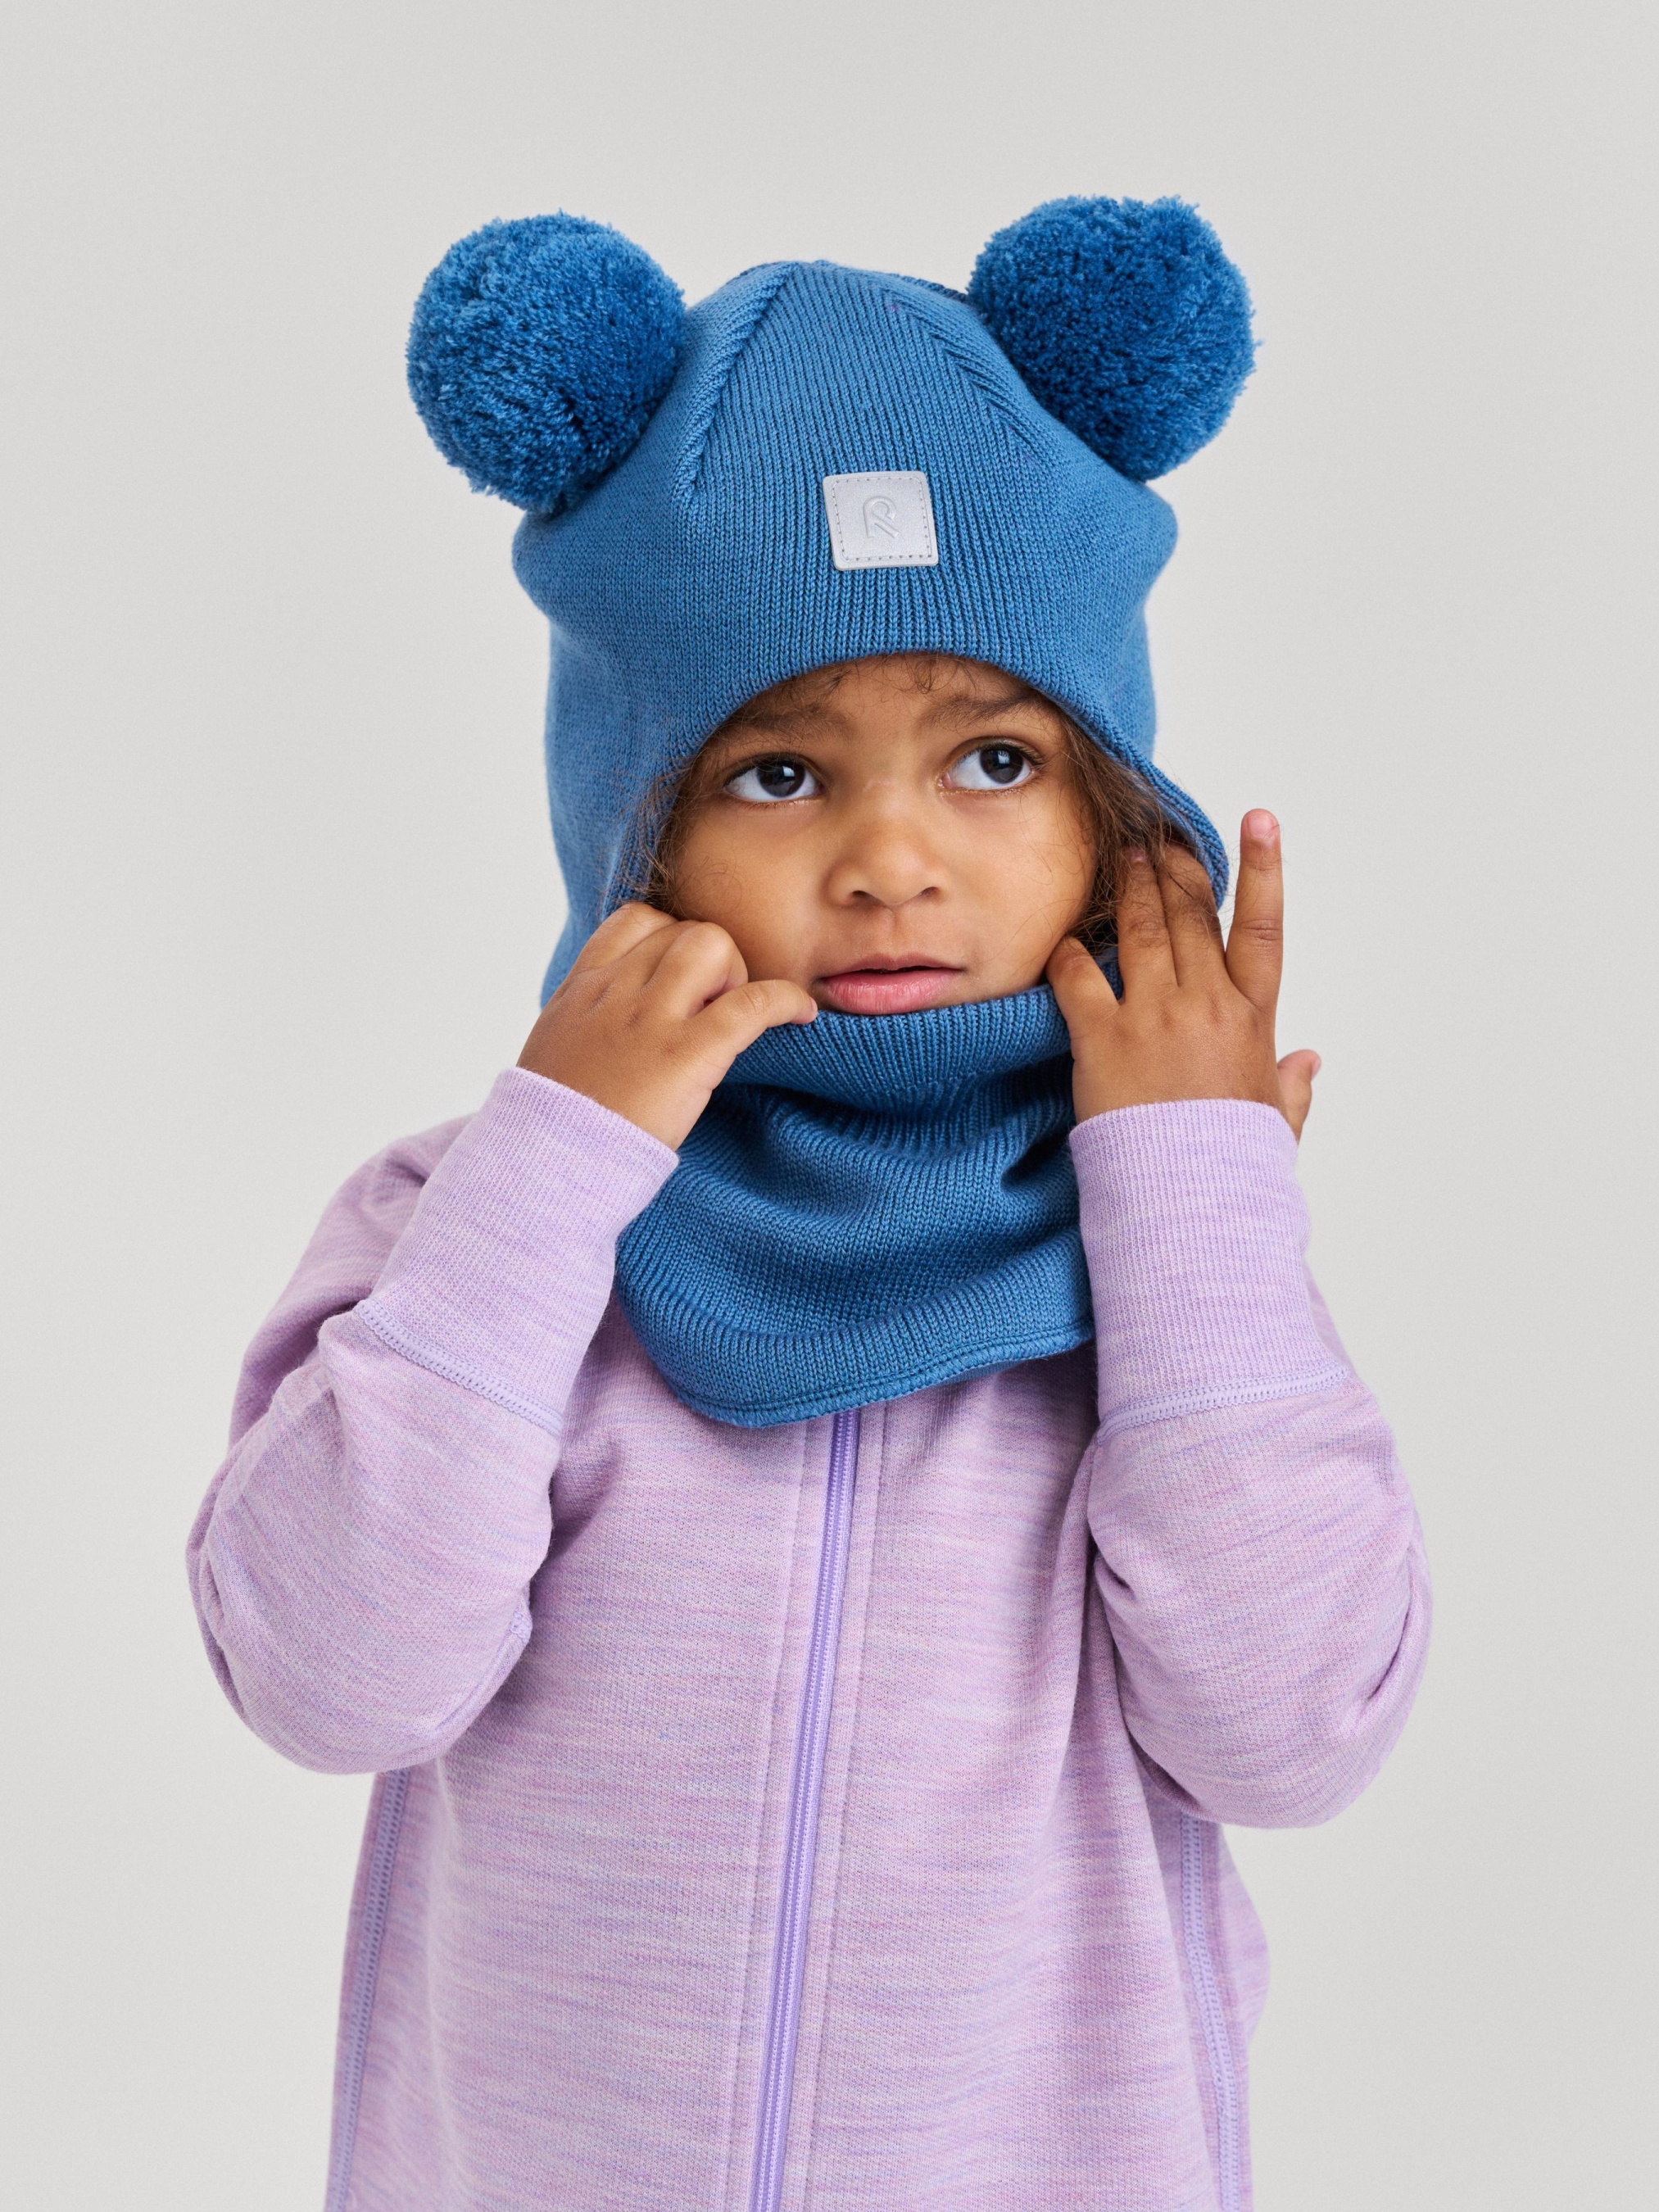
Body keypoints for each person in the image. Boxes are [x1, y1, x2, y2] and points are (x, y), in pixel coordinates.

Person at [186, 199, 1430, 2212]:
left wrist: (1192, 1190)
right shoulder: (474, 1227)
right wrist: (551, 1167)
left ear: (1114, 810)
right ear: (631, 822)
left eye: (993, 760)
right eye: (775, 774)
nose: (889, 864)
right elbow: (334, 1684)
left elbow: (1288, 1740)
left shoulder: (1145, 1256)